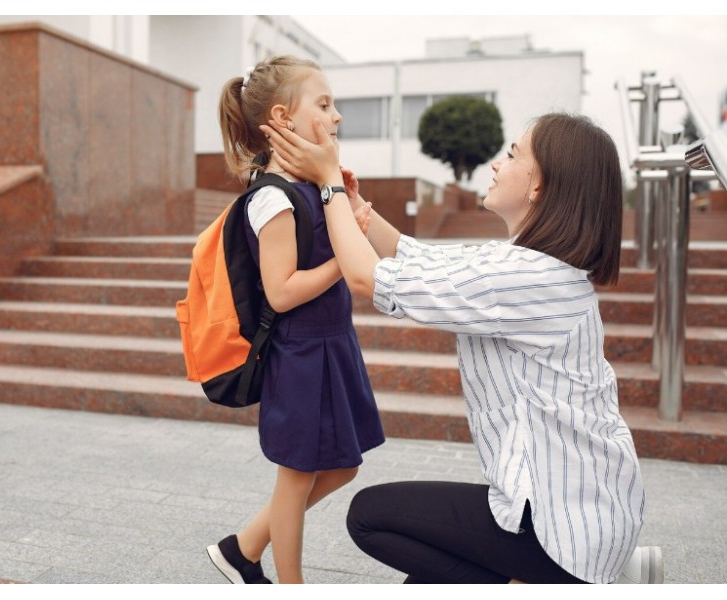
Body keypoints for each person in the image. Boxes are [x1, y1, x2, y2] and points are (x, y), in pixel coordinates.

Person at [261, 112, 663, 584]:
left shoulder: (524, 277)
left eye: (512, 154)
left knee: (370, 517)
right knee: (424, 579)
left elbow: (367, 279)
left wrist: (328, 183)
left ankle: (550, 584)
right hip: (587, 508)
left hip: (563, 529)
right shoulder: (528, 265)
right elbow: (416, 256)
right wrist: (352, 203)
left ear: (539, 185)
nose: (496, 164)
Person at [206, 56, 385, 585]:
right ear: (283, 118)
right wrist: (344, 260)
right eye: (324, 104)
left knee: (343, 465)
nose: (336, 116)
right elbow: (282, 293)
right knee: (297, 476)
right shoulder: (272, 198)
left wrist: (346, 204)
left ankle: (242, 549)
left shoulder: (313, 185)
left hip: (332, 345)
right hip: (301, 354)